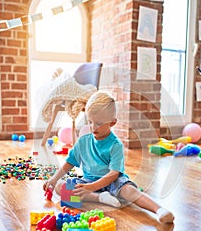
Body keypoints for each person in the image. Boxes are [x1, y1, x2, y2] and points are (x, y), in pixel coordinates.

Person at [43, 91, 174, 224]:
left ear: (112, 122)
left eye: (99, 123)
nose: (93, 127)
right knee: (61, 187)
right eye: (90, 121)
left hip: (113, 182)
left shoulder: (115, 144)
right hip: (89, 181)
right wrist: (54, 179)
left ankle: (159, 210)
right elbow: (69, 162)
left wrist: (91, 187)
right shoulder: (83, 141)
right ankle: (100, 198)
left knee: (130, 191)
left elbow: (113, 174)